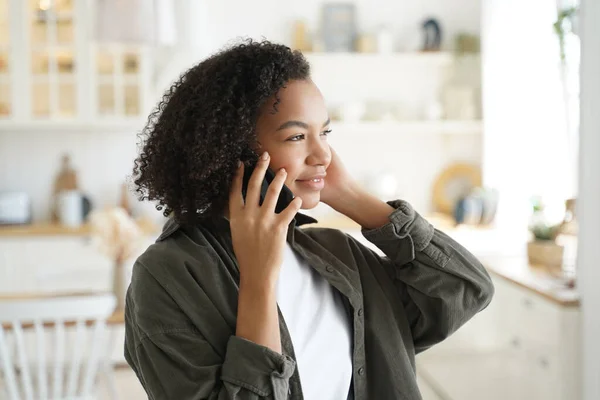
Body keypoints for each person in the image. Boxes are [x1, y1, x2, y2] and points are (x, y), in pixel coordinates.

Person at [124, 39, 494, 400]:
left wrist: (350, 194)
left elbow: (465, 289)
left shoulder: (339, 254)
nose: (323, 154)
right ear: (231, 151)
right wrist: (258, 280)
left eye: (325, 133)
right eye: (297, 136)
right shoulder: (166, 277)